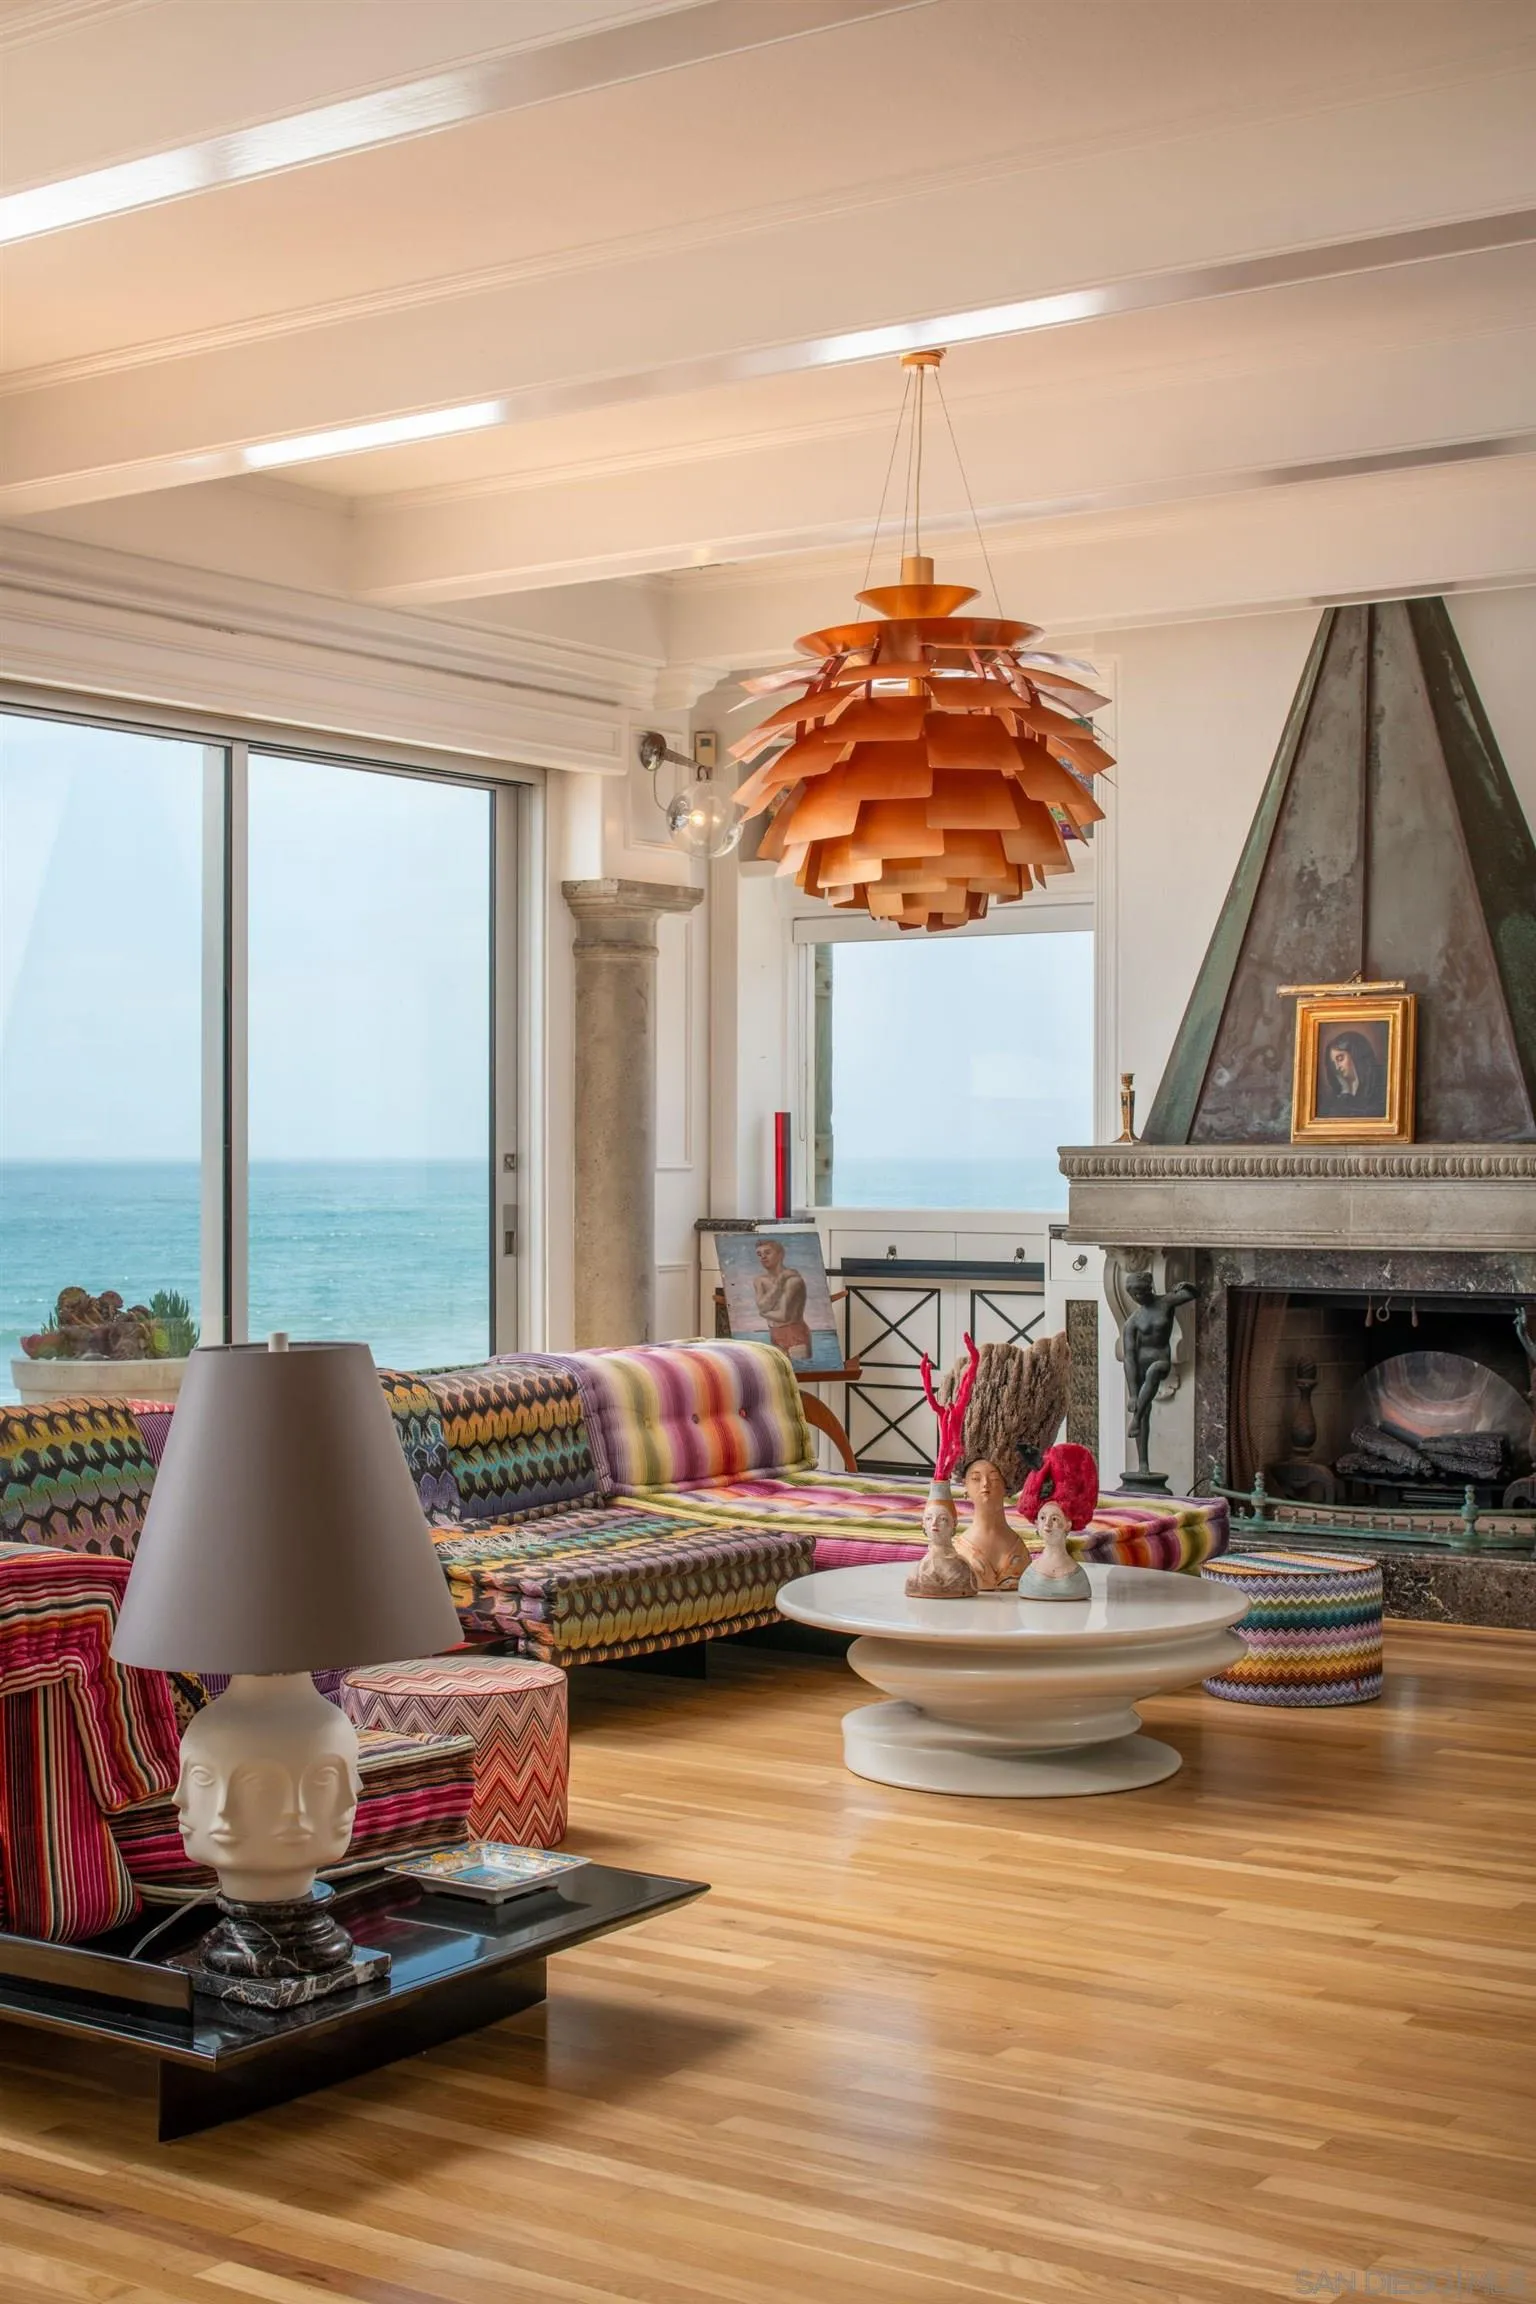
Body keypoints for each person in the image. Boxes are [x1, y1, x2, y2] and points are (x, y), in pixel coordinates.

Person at [752, 1237, 811, 1361]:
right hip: (775, 1335)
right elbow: (762, 1307)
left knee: (800, 1373)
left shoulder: (793, 1281)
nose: (762, 1257)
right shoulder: (760, 1281)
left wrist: (763, 1313)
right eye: (759, 1254)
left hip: (794, 1334)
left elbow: (783, 1315)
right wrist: (780, 1281)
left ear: (780, 1254)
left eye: (767, 1252)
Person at [1316, 1026, 1386, 1118]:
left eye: (1340, 1059)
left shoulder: (1381, 1082)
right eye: (1333, 1063)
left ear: (1355, 1054)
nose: (1337, 1067)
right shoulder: (1336, 1094)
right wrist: (1346, 1091)